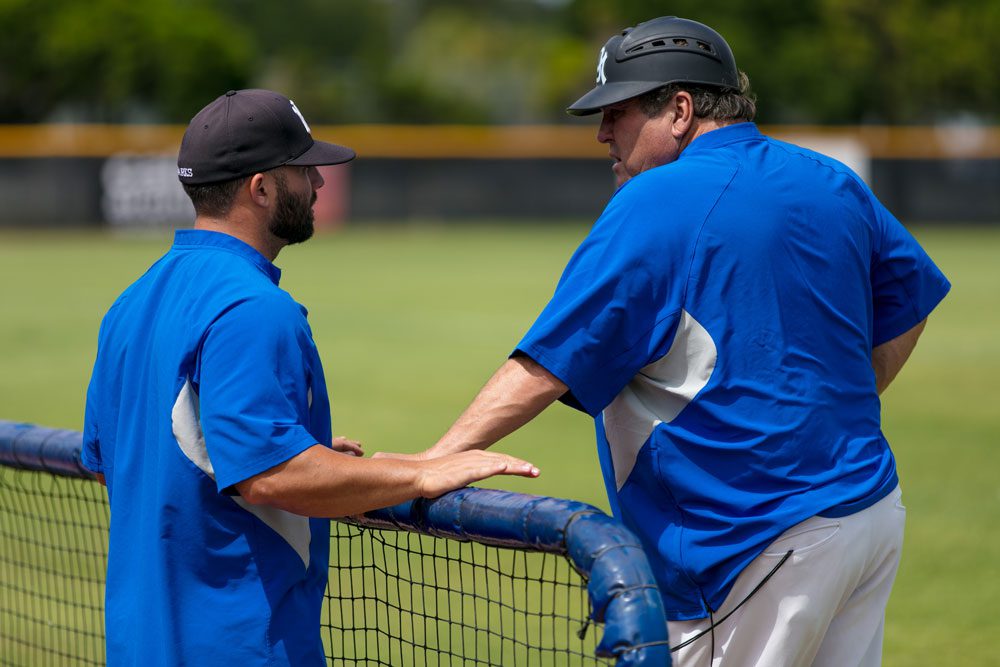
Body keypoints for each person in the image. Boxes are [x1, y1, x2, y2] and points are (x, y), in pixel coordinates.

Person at [402, 17, 951, 666]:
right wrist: (848, 397)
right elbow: (910, 300)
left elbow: (547, 362)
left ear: (681, 110)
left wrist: (430, 460)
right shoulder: (828, 178)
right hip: (869, 514)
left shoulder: (656, 199)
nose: (603, 132)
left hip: (753, 540)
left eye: (619, 112)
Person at [81, 89, 539, 667]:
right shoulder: (251, 307)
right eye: (303, 170)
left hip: (138, 646)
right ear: (262, 187)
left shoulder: (130, 302)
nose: (319, 183)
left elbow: (118, 464)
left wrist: (312, 460)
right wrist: (419, 474)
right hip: (237, 646)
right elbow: (272, 478)